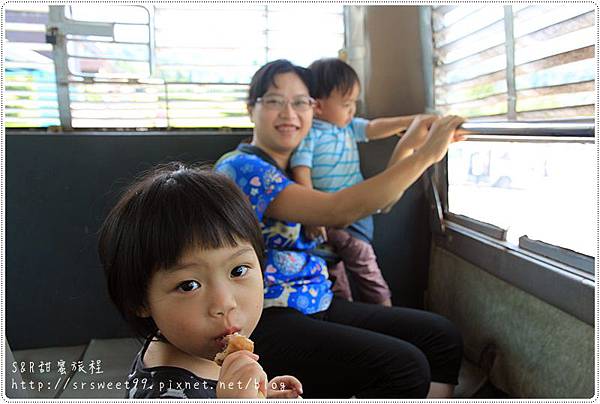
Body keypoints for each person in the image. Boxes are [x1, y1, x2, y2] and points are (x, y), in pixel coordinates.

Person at [214, 59, 465, 398]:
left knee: (441, 335)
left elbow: (376, 202)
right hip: (269, 315)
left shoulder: (299, 171)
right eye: (274, 101)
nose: (289, 113)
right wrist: (427, 155)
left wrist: (409, 146)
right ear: (251, 109)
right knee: (404, 366)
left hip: (316, 300)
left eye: (300, 102)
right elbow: (340, 211)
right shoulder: (241, 168)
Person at [98, 164, 302, 399]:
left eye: (238, 270)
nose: (224, 303)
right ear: (140, 300)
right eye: (189, 285)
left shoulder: (193, 349)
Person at [290, 57, 436, 306]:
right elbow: (301, 171)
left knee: (347, 267)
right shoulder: (309, 135)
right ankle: (376, 309)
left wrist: (413, 121)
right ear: (318, 107)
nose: (352, 111)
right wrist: (311, 217)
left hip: (356, 216)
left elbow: (375, 127)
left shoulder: (348, 128)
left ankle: (360, 310)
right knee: (355, 269)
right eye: (346, 104)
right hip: (326, 220)